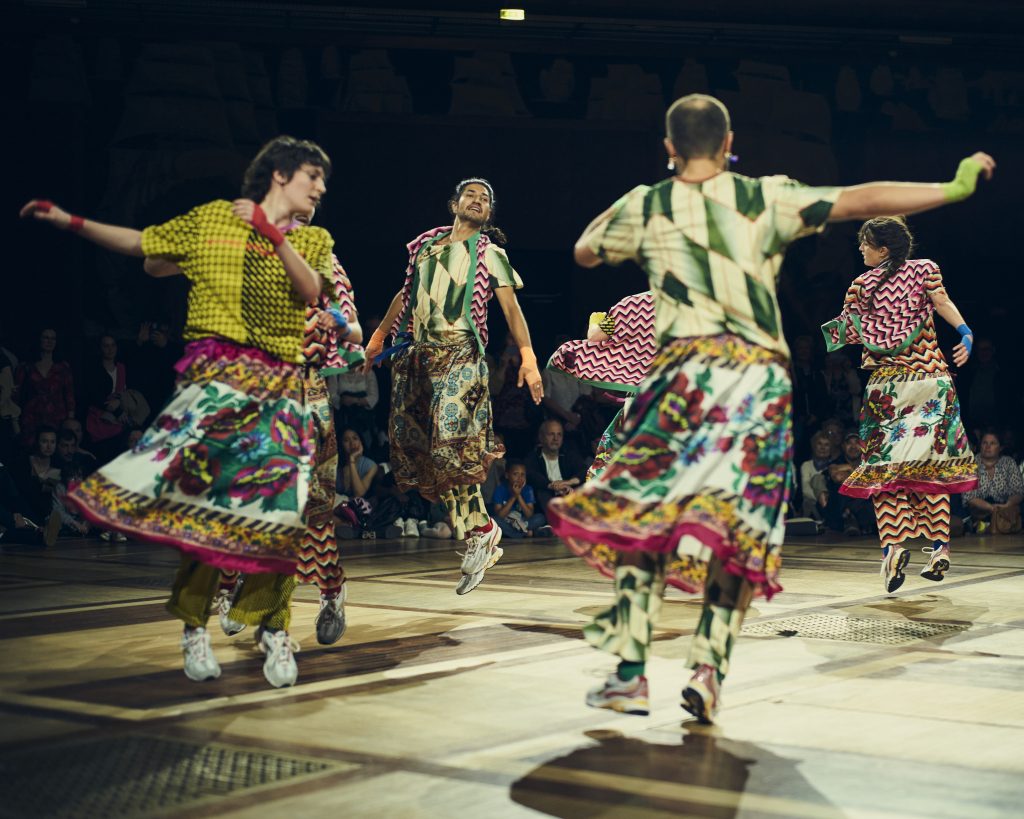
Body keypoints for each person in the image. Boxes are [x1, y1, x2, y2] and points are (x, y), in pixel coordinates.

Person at [546, 92, 996, 723]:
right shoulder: (767, 196)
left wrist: (636, 218)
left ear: (670, 148)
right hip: (753, 383)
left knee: (644, 516)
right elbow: (863, 197)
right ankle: (708, 669)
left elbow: (585, 252)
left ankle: (628, 673)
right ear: (731, 145)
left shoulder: (646, 204)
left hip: (679, 379)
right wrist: (953, 186)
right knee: (739, 527)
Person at [20, 135, 335, 689]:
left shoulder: (314, 241)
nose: (321, 187)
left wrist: (272, 238)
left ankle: (273, 628)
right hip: (216, 382)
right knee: (211, 515)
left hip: (282, 388)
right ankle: (194, 625)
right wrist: (69, 220)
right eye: (314, 175)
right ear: (281, 174)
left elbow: (310, 292)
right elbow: (144, 245)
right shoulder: (213, 219)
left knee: (282, 517)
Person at [363, 177, 544, 595]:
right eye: (471, 195)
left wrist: (529, 357)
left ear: (489, 213)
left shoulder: (490, 254)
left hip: (462, 353)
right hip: (420, 357)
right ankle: (480, 530)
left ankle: (481, 532)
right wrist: (377, 340)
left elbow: (512, 310)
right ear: (454, 203)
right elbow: (403, 296)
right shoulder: (426, 248)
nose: (478, 201)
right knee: (433, 456)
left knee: (451, 443)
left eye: (486, 199)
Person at [823, 216, 977, 590]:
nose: (860, 249)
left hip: (887, 390)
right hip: (931, 383)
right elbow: (941, 301)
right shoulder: (926, 270)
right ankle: (939, 548)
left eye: (865, 244)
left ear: (884, 249)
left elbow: (845, 334)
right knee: (931, 471)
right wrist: (965, 332)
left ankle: (893, 548)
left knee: (885, 474)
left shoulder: (859, 287)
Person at [14, 328, 75, 450]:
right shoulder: (26, 366)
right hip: (32, 419)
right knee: (31, 452)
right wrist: (15, 422)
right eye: (46, 338)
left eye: (53, 338)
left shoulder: (63, 367)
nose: (49, 341)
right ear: (39, 340)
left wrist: (70, 422)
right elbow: (16, 396)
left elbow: (69, 395)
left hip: (57, 419)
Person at [963, 430, 1023, 534]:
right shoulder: (971, 464)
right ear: (980, 445)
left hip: (1005, 509)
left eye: (993, 443)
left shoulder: (1008, 463)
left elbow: (1018, 492)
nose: (988, 446)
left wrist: (1006, 505)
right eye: (984, 443)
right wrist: (992, 508)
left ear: (1000, 447)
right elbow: (969, 497)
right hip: (979, 511)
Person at [525, 419, 590, 514]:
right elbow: (532, 476)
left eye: (559, 434)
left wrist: (567, 483)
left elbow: (584, 471)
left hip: (568, 495)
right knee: (542, 493)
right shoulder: (533, 457)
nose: (556, 439)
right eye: (551, 434)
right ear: (541, 437)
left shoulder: (569, 454)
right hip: (547, 500)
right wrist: (553, 486)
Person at [490, 460, 549, 538]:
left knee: (541, 517)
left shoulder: (528, 489)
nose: (519, 478)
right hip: (507, 522)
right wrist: (514, 497)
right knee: (494, 520)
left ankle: (516, 533)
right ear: (507, 475)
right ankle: (526, 533)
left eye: (522, 475)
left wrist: (519, 496)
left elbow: (529, 514)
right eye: (515, 474)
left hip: (524, 521)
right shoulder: (500, 489)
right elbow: (500, 516)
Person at [799, 430, 834, 520]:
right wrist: (822, 499)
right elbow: (806, 490)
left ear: (831, 448)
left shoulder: (835, 466)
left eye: (826, 445)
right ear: (814, 446)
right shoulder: (806, 465)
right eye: (819, 444)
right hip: (813, 505)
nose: (822, 448)